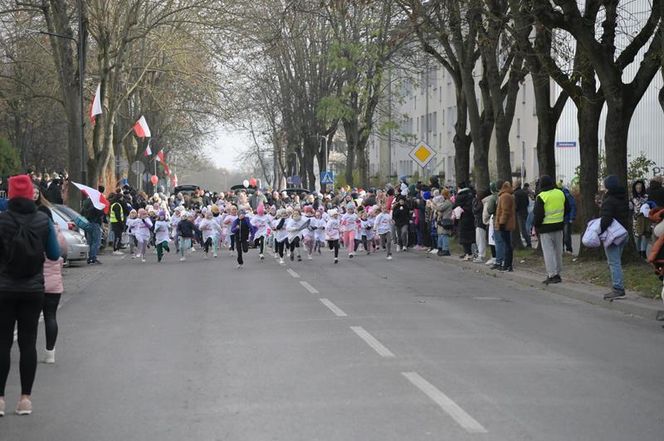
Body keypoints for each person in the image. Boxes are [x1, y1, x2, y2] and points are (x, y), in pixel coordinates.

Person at [0, 175, 61, 416]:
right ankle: (25, 399)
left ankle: (1, 399)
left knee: (2, 342)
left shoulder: (1, 221)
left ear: (11, 194)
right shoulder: (42, 220)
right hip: (34, 289)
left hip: (3, 289)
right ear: (30, 194)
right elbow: (54, 254)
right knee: (28, 343)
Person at [533, 175, 569, 284]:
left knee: (548, 252)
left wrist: (536, 226)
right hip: (559, 226)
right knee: (558, 251)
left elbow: (538, 214)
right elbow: (568, 208)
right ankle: (558, 273)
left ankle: (552, 274)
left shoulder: (541, 196)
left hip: (545, 228)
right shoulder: (560, 193)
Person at [600, 175, 630, 300]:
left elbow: (606, 219)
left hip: (612, 235)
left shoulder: (609, 200)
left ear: (608, 187)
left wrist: (599, 231)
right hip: (623, 233)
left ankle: (618, 288)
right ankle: (618, 286)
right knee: (617, 261)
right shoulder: (623, 198)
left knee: (614, 262)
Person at [494, 181, 515, 271]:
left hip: (505, 224)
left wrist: (501, 223)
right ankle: (507, 264)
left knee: (507, 245)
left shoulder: (505, 196)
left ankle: (507, 264)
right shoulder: (507, 195)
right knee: (507, 244)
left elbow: (504, 211)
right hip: (507, 224)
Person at [81, 192, 104, 265]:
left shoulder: (85, 202)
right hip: (95, 222)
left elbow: (81, 212)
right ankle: (93, 258)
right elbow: (100, 213)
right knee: (96, 241)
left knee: (89, 241)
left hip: (87, 223)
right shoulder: (96, 203)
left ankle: (89, 257)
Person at [454, 183, 475, 260]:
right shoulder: (470, 194)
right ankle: (470, 253)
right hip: (471, 218)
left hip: (463, 218)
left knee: (464, 236)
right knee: (471, 236)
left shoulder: (460, 196)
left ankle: (468, 253)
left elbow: (455, 205)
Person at [631, 180, 649, 259]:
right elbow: (631, 207)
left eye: (640, 187)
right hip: (636, 218)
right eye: (637, 187)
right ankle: (638, 252)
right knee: (637, 236)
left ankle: (643, 252)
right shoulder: (632, 197)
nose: (639, 189)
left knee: (645, 235)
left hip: (645, 218)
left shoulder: (646, 196)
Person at [434, 188, 454, 256]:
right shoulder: (445, 202)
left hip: (446, 220)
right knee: (440, 234)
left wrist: (434, 205)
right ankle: (441, 248)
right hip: (442, 220)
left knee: (444, 234)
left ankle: (445, 249)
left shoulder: (447, 202)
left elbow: (440, 208)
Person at [513, 182, 532, 248]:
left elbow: (516, 205)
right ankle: (529, 242)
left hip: (519, 213)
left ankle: (528, 243)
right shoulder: (524, 192)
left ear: (516, 186)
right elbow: (527, 202)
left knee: (523, 229)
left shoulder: (516, 194)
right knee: (525, 228)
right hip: (525, 211)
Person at [562, 186, 577, 254]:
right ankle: (569, 249)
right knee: (567, 235)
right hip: (567, 219)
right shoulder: (569, 196)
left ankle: (563, 249)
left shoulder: (562, 196)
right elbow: (573, 207)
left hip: (561, 219)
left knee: (563, 235)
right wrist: (572, 217)